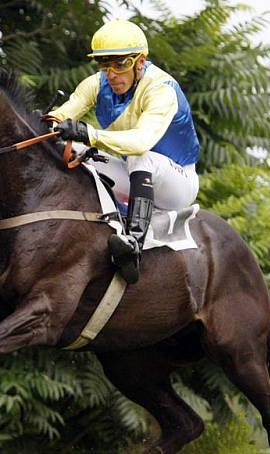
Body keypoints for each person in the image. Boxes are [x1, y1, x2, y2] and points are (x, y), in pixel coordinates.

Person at [46, 19, 201, 284]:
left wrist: (89, 134)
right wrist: (48, 125)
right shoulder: (95, 85)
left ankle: (134, 245)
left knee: (142, 157)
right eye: (105, 64)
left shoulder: (162, 90)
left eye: (121, 64)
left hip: (178, 183)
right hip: (134, 174)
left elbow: (140, 142)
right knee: (75, 151)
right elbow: (60, 116)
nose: (112, 73)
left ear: (140, 62)